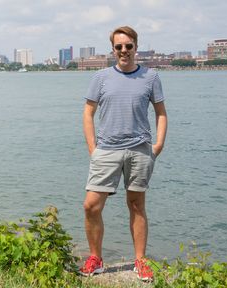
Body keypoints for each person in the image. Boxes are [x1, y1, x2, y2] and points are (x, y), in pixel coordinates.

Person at [79, 26, 168, 281]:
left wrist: (158, 145)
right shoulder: (101, 77)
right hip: (106, 150)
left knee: (137, 205)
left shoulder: (151, 77)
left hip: (140, 150)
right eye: (119, 47)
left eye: (128, 46)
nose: (124, 51)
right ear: (113, 49)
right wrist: (92, 149)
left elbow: (161, 114)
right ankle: (95, 258)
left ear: (136, 47)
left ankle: (140, 261)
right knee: (91, 206)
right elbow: (88, 113)